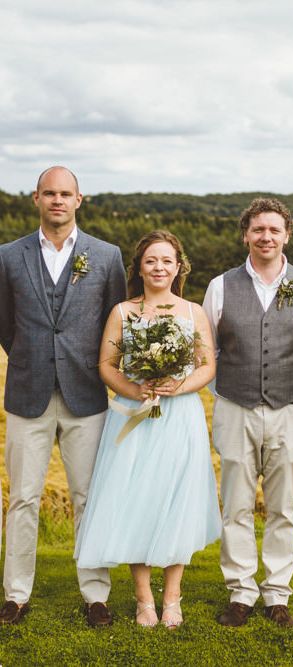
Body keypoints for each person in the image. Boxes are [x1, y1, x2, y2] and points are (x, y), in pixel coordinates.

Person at [74, 230, 221, 628]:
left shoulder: (193, 312)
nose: (159, 267)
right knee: (135, 500)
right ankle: (143, 599)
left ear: (179, 267)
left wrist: (178, 386)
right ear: (139, 267)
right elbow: (106, 365)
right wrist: (136, 389)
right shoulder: (123, 311)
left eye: (166, 261)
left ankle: (172, 597)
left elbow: (207, 366)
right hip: (133, 417)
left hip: (181, 416)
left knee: (177, 501)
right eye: (151, 261)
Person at [0, 166, 126, 626]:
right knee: (23, 498)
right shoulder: (8, 257)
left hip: (86, 394)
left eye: (65, 193)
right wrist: (35, 358)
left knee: (88, 496)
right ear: (36, 198)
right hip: (28, 392)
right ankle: (15, 594)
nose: (57, 200)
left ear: (79, 199)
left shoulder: (106, 256)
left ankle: (96, 594)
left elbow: (115, 325)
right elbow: (5, 324)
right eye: (49, 193)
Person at [203, 197, 293, 628]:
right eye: (258, 230)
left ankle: (277, 593)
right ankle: (240, 590)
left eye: (274, 230)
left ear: (287, 234)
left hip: (290, 411)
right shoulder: (220, 286)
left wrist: (287, 389)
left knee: (283, 507)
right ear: (246, 235)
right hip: (234, 408)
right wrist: (234, 390)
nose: (266, 237)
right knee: (234, 503)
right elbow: (209, 350)